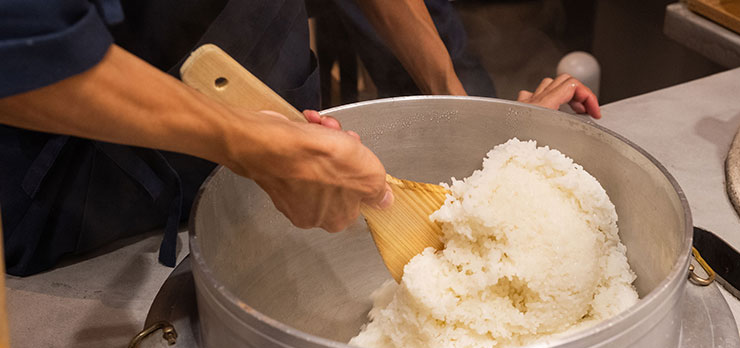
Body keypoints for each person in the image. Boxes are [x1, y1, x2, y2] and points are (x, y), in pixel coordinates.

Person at [0, 0, 600, 277]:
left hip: (267, 79)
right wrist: (248, 144)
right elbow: (22, 56)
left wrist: (468, 112)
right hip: (84, 161)